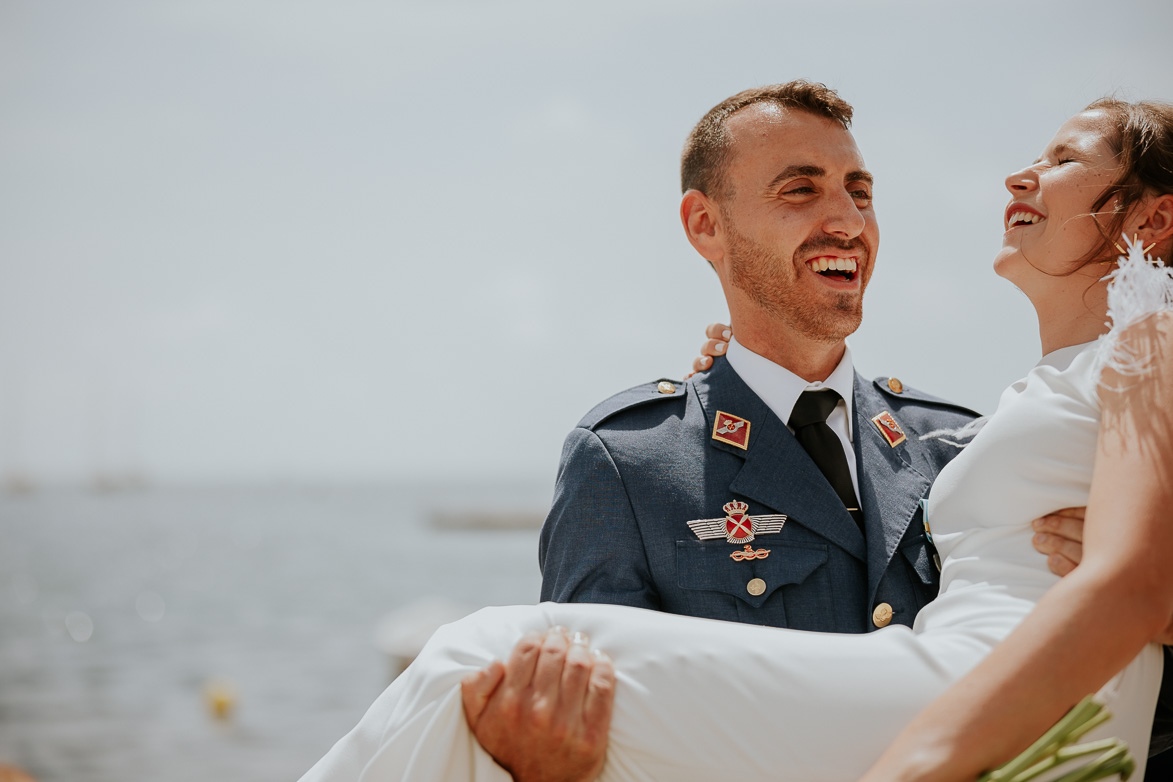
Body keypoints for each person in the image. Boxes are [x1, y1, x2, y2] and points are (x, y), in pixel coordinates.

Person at [300, 96, 1173, 782]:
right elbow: (580, 728)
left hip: (987, 730)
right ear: (704, 226)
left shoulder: (951, 443)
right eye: (802, 189)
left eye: (859, 192)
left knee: (462, 655)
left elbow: (1123, 598)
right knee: (483, 673)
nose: (847, 218)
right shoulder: (633, 457)